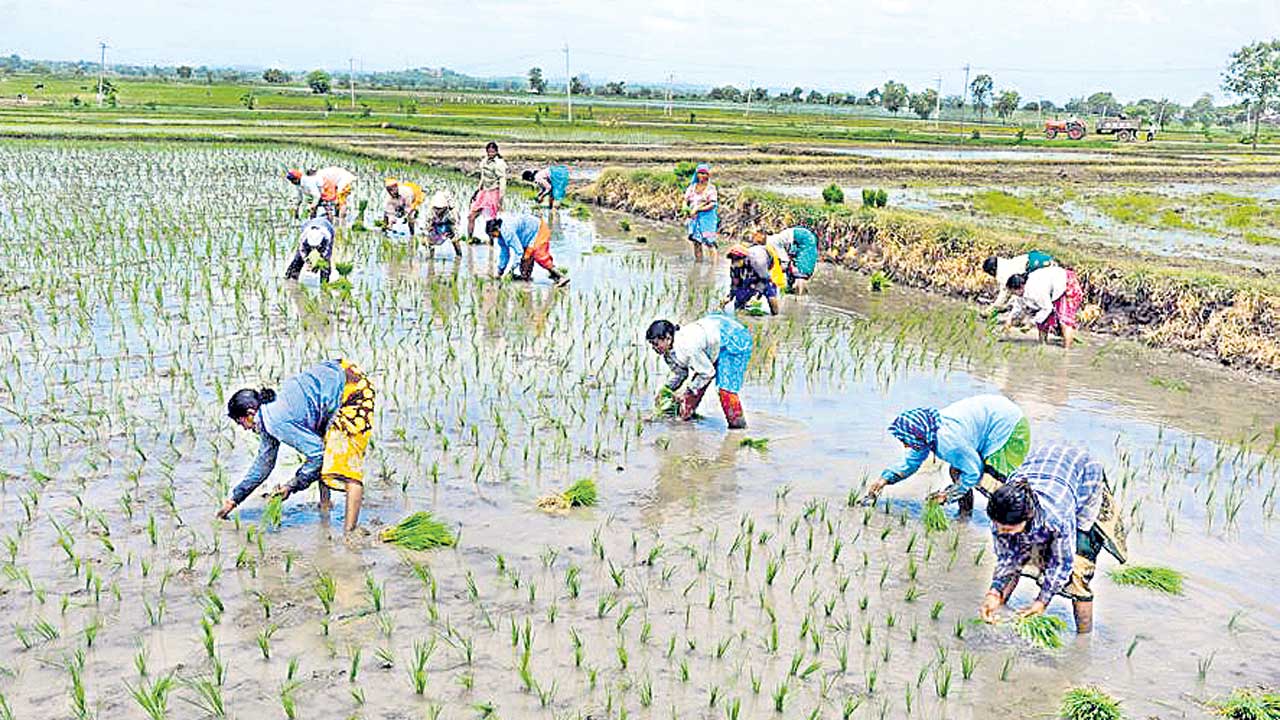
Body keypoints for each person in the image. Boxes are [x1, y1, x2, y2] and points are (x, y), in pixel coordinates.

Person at [979, 444, 1128, 634]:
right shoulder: (1003, 511)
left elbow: (1062, 563)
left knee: (1078, 570)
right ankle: (996, 612)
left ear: (1027, 518)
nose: (1000, 531)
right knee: (1018, 552)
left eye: (1007, 528)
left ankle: (1083, 643)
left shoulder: (1058, 516)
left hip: (1084, 473)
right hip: (1043, 462)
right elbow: (1007, 558)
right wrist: (994, 592)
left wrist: (1042, 601)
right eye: (998, 526)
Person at [217, 359, 376, 534]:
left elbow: (317, 455)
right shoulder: (267, 417)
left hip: (352, 389)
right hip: (334, 378)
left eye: (242, 423)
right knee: (324, 447)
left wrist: (291, 486)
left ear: (250, 413)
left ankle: (349, 533)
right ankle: (325, 506)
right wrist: (234, 500)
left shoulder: (276, 421)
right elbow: (263, 465)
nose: (245, 429)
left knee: (347, 470)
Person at [865, 394, 1031, 512]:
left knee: (993, 483)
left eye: (905, 439)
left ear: (916, 435)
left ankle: (1022, 521)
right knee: (957, 471)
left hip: (1009, 427)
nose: (904, 444)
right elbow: (910, 463)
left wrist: (947, 495)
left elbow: (973, 472)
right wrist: (884, 480)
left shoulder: (948, 443)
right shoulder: (927, 431)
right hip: (995, 414)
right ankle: (965, 515)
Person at [646, 314, 753, 429]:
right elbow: (680, 374)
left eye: (656, 344)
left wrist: (686, 393)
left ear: (667, 337)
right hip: (711, 336)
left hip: (732, 338)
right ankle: (685, 418)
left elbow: (708, 373)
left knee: (725, 391)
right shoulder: (668, 352)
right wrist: (666, 390)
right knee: (695, 385)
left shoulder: (687, 347)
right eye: (652, 344)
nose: (654, 348)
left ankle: (739, 429)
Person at [1003, 264, 1084, 349]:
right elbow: (1018, 305)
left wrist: (1031, 323)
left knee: (1064, 320)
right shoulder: (1022, 290)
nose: (1013, 294)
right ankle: (1042, 345)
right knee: (1042, 321)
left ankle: (1067, 350)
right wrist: (1009, 320)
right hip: (1051, 290)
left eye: (1013, 292)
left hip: (1066, 283)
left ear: (1020, 288)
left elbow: (1047, 308)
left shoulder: (1035, 290)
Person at [486, 215, 570, 287]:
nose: (493, 237)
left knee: (539, 255)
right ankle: (529, 278)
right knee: (524, 267)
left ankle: (561, 276)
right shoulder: (501, 237)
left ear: (497, 229)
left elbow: (519, 252)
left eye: (492, 234)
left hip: (538, 230)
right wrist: (500, 271)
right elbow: (504, 254)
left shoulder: (507, 232)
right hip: (527, 236)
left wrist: (511, 270)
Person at [982, 250, 1054, 310]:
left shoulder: (1002, 274)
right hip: (1042, 259)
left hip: (1039, 265)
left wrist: (993, 307)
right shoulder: (1005, 263)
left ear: (992, 270)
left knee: (1030, 292)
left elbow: (1005, 293)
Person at [722, 244, 780, 316]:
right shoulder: (734, 266)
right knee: (740, 296)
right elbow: (735, 283)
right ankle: (740, 314)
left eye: (737, 259)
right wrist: (730, 296)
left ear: (744, 258)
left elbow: (764, 279)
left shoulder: (758, 261)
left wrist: (756, 295)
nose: (734, 261)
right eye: (733, 259)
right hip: (753, 270)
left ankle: (775, 315)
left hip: (765, 270)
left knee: (770, 293)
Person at [467, 141, 507, 241]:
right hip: (484, 192)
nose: (491, 154)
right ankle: (469, 238)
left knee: (490, 220)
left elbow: (502, 180)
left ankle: (491, 242)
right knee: (471, 216)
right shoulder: (484, 162)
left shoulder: (499, 164)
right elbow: (483, 178)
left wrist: (500, 198)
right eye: (489, 152)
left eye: (493, 152)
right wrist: (477, 191)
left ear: (496, 152)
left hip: (494, 192)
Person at [287, 166, 356, 223]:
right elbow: (300, 198)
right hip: (329, 185)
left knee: (339, 202)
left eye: (293, 180)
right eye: (291, 181)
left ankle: (341, 222)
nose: (292, 182)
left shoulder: (311, 181)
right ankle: (314, 221)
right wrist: (296, 210)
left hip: (342, 181)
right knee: (316, 204)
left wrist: (312, 206)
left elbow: (317, 195)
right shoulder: (301, 183)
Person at [765, 227, 820, 294]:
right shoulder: (774, 240)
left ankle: (799, 291)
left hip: (801, 237)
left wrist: (783, 267)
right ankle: (799, 290)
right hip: (802, 236)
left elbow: (784, 259)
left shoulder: (773, 243)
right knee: (800, 269)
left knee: (801, 271)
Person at [683, 163, 719, 261]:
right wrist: (685, 207)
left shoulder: (711, 188)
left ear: (708, 175)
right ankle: (698, 262)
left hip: (707, 220)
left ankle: (713, 269)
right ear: (697, 174)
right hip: (694, 218)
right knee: (696, 242)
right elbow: (685, 200)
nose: (702, 176)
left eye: (705, 173)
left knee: (710, 243)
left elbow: (712, 204)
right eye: (700, 173)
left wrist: (698, 209)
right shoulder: (692, 187)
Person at [285, 217, 336, 284]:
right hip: (310, 225)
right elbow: (302, 250)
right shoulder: (304, 236)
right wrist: (307, 260)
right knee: (298, 259)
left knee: (325, 262)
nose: (314, 248)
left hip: (326, 226)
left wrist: (318, 262)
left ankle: (324, 282)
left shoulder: (326, 236)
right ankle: (291, 278)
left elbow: (326, 252)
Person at [424, 190, 463, 260]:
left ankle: (459, 255)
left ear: (445, 207)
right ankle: (430, 257)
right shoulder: (431, 212)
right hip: (437, 225)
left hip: (449, 225)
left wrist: (454, 234)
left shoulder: (451, 213)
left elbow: (456, 225)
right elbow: (427, 224)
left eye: (440, 209)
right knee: (430, 240)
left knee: (455, 239)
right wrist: (429, 229)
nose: (437, 211)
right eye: (436, 208)